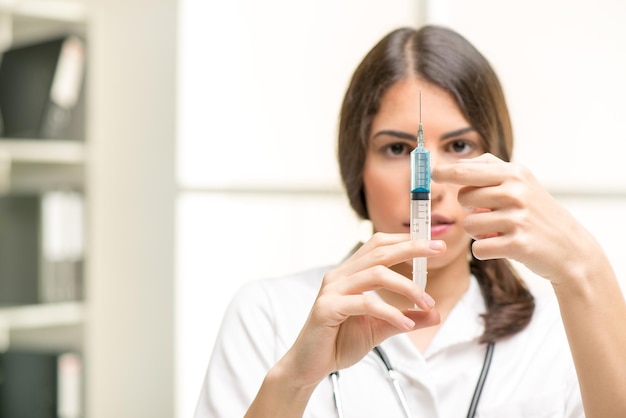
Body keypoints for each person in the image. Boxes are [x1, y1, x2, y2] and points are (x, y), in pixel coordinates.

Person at [194, 25, 626, 417]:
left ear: (497, 162)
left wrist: (583, 264)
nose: (431, 186)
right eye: (397, 150)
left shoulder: (559, 330)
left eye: (459, 145)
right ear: (356, 165)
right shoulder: (269, 315)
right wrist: (295, 381)